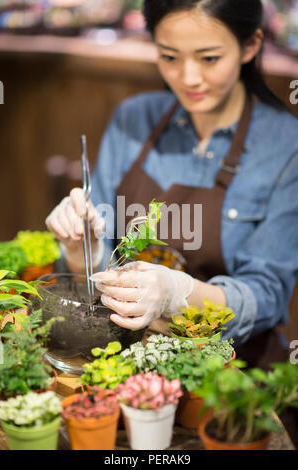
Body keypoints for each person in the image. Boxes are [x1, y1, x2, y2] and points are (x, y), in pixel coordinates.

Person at [46, 0, 298, 365]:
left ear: (250, 45)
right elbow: (99, 264)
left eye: (209, 58)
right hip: (124, 356)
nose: (188, 77)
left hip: (232, 371)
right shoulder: (133, 121)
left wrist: (179, 293)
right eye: (169, 56)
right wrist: (81, 248)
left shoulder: (285, 145)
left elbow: (269, 294)